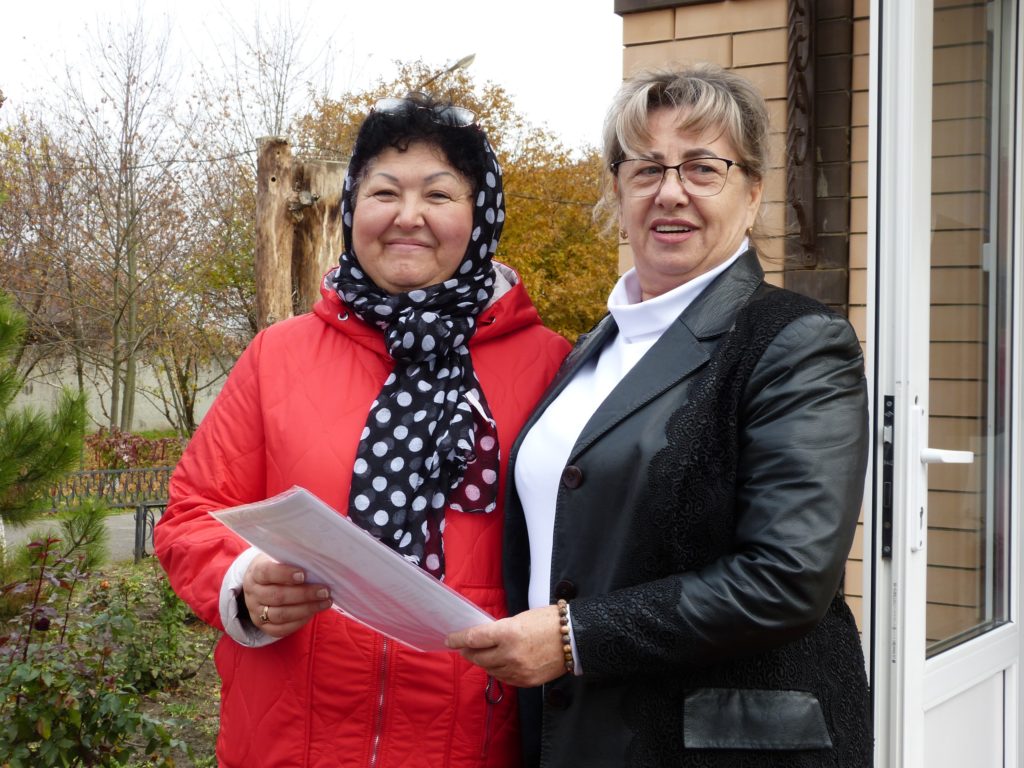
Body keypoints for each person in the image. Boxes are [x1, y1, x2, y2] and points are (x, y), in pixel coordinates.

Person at [447, 63, 873, 767]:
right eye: (646, 169)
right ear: (618, 193)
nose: (670, 191)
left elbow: (787, 576)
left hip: (722, 746)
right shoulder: (592, 348)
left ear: (752, 193)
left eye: (703, 168)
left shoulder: (795, 341)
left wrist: (573, 637)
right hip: (577, 733)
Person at [155, 92, 571, 768]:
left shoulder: (553, 366)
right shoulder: (278, 355)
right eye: (384, 192)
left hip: (468, 738)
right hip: (288, 740)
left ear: (481, 215)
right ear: (352, 208)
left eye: (439, 194)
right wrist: (243, 579)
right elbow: (191, 515)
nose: (408, 216)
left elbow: (588, 550)